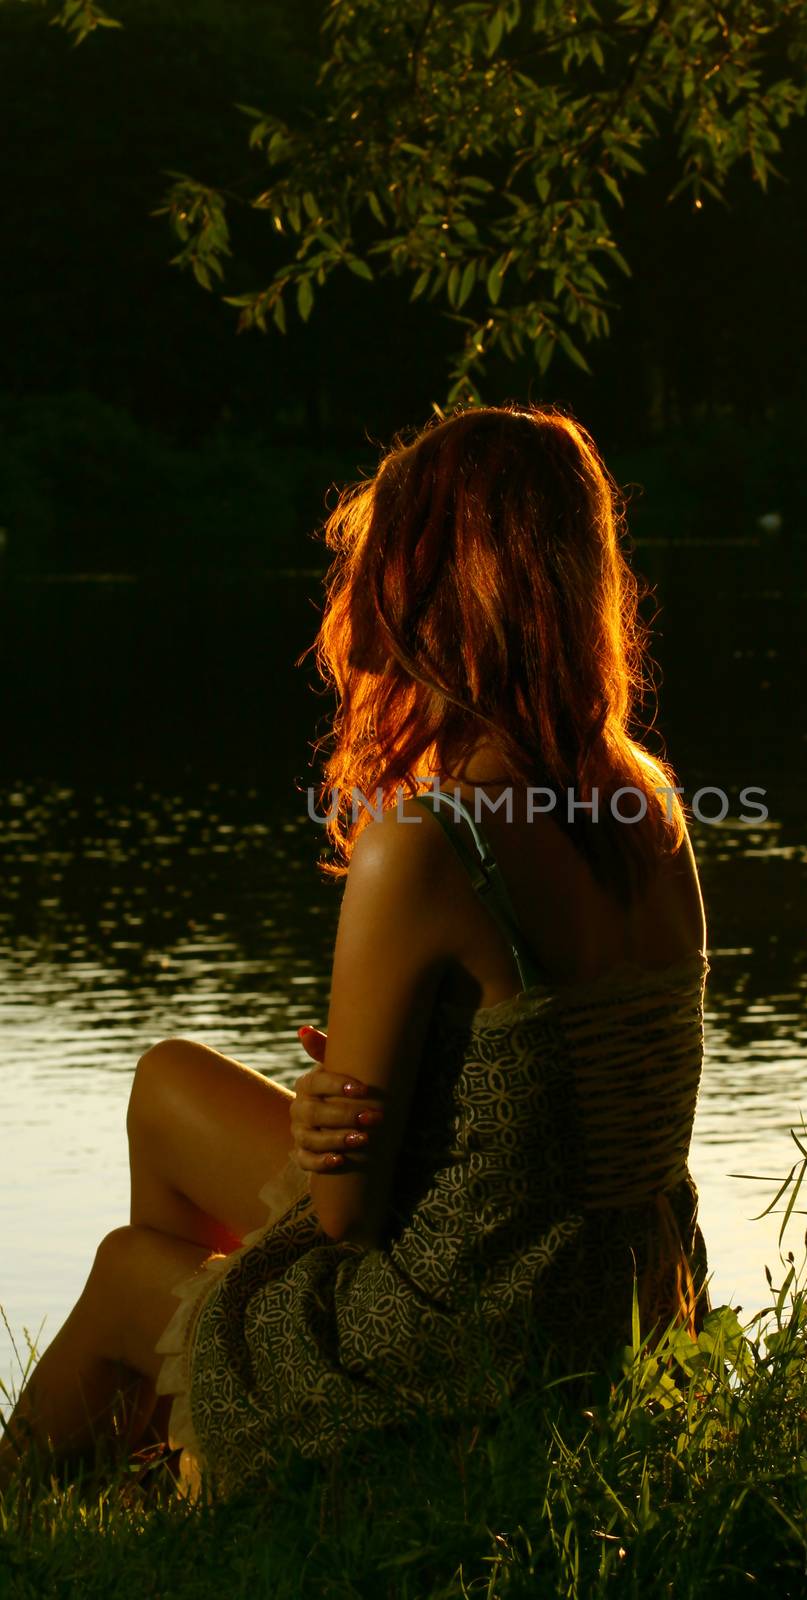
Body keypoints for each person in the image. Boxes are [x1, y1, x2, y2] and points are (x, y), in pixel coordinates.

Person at [0, 404, 710, 1502]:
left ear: (440, 583)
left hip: (488, 1334)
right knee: (164, 1085)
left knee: (129, 1273)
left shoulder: (433, 840)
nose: (360, 579)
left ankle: (62, 1508)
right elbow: (563, 1086)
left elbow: (347, 1215)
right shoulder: (652, 810)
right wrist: (409, 1083)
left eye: (387, 551)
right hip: (618, 1289)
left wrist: (332, 1102)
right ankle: (177, 1475)